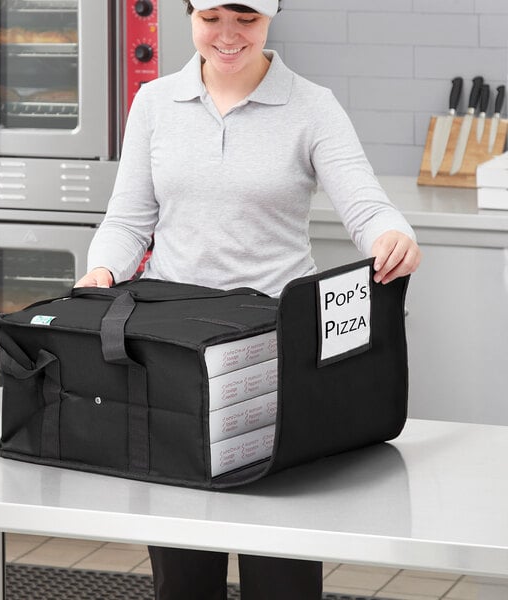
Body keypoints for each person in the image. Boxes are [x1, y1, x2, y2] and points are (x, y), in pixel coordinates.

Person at [76, 0, 422, 597]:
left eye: (247, 19)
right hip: (173, 352)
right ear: (188, 15)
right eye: (212, 19)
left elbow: (365, 204)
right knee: (184, 571)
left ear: (272, 17)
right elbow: (129, 219)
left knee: (281, 563)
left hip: (276, 353)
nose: (229, 36)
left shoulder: (312, 105)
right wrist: (103, 268)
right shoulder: (155, 103)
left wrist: (393, 236)